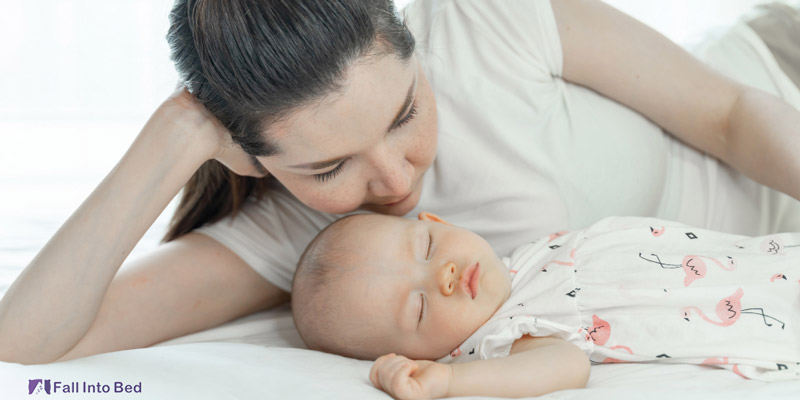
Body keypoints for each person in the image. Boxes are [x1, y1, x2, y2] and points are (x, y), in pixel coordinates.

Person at [1, 0, 800, 365]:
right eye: (327, 167)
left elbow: (732, 113)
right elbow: (21, 348)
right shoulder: (294, 239)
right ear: (252, 160)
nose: (395, 181)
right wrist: (174, 136)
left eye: (405, 113)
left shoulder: (489, 23)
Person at [291, 212, 800, 399]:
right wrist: (450, 384)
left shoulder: (526, 262)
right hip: (755, 309)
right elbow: (564, 366)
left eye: (426, 248)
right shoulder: (506, 332)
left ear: (437, 221)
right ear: (436, 351)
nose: (441, 276)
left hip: (756, 257)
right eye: (419, 310)